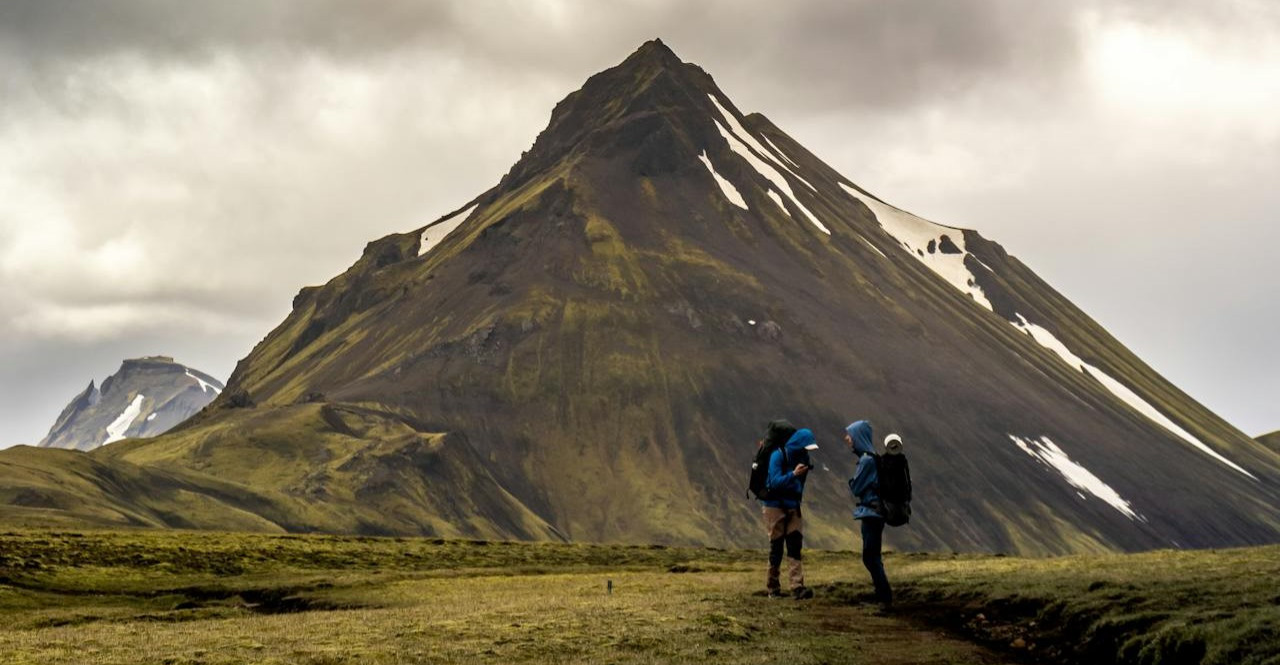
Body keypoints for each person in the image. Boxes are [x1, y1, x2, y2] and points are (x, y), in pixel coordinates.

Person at [763, 427, 818, 599]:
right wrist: (793, 474)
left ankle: (797, 587)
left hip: (793, 505)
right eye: (805, 447)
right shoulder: (777, 456)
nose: (806, 452)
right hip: (774, 506)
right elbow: (774, 482)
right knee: (777, 547)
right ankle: (773, 587)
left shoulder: (803, 457)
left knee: (795, 545)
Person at [846, 420, 892, 607]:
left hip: (871, 512)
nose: (847, 439)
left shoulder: (866, 461)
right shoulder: (874, 457)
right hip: (875, 512)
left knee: (870, 556)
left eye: (849, 435)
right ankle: (881, 595)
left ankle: (884, 597)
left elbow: (856, 487)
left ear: (858, 437)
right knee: (872, 555)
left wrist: (852, 481)